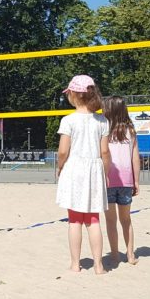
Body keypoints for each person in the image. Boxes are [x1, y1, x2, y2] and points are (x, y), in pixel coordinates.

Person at [56, 75, 111, 274]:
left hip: (75, 169)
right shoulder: (102, 120)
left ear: (75, 94)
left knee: (75, 220)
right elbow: (105, 152)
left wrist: (60, 167)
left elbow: (63, 151)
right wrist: (105, 173)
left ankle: (74, 264)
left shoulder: (68, 120)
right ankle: (99, 265)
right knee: (93, 219)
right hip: (94, 170)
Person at [102, 96, 141, 265]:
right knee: (126, 220)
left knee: (111, 222)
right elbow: (135, 158)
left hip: (108, 181)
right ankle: (130, 254)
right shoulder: (130, 131)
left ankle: (115, 255)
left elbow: (102, 155)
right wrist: (136, 181)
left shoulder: (104, 130)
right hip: (126, 181)